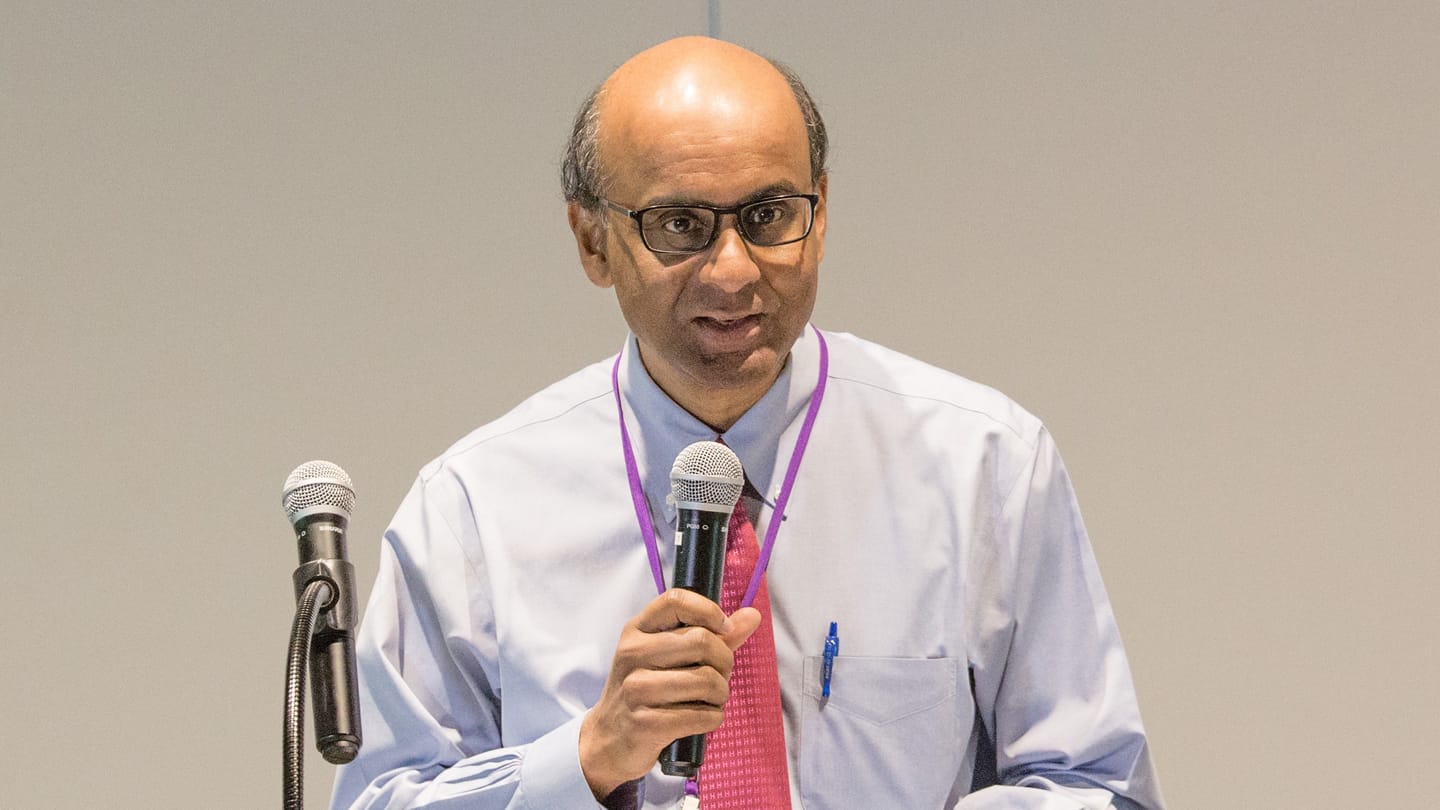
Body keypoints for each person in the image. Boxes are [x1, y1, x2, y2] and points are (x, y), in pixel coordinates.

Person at [331, 36, 1164, 810]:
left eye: (768, 216)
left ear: (821, 213)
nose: (733, 271)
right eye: (680, 226)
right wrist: (587, 758)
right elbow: (379, 798)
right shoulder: (473, 510)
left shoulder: (982, 466)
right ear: (592, 241)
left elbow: (1099, 787)